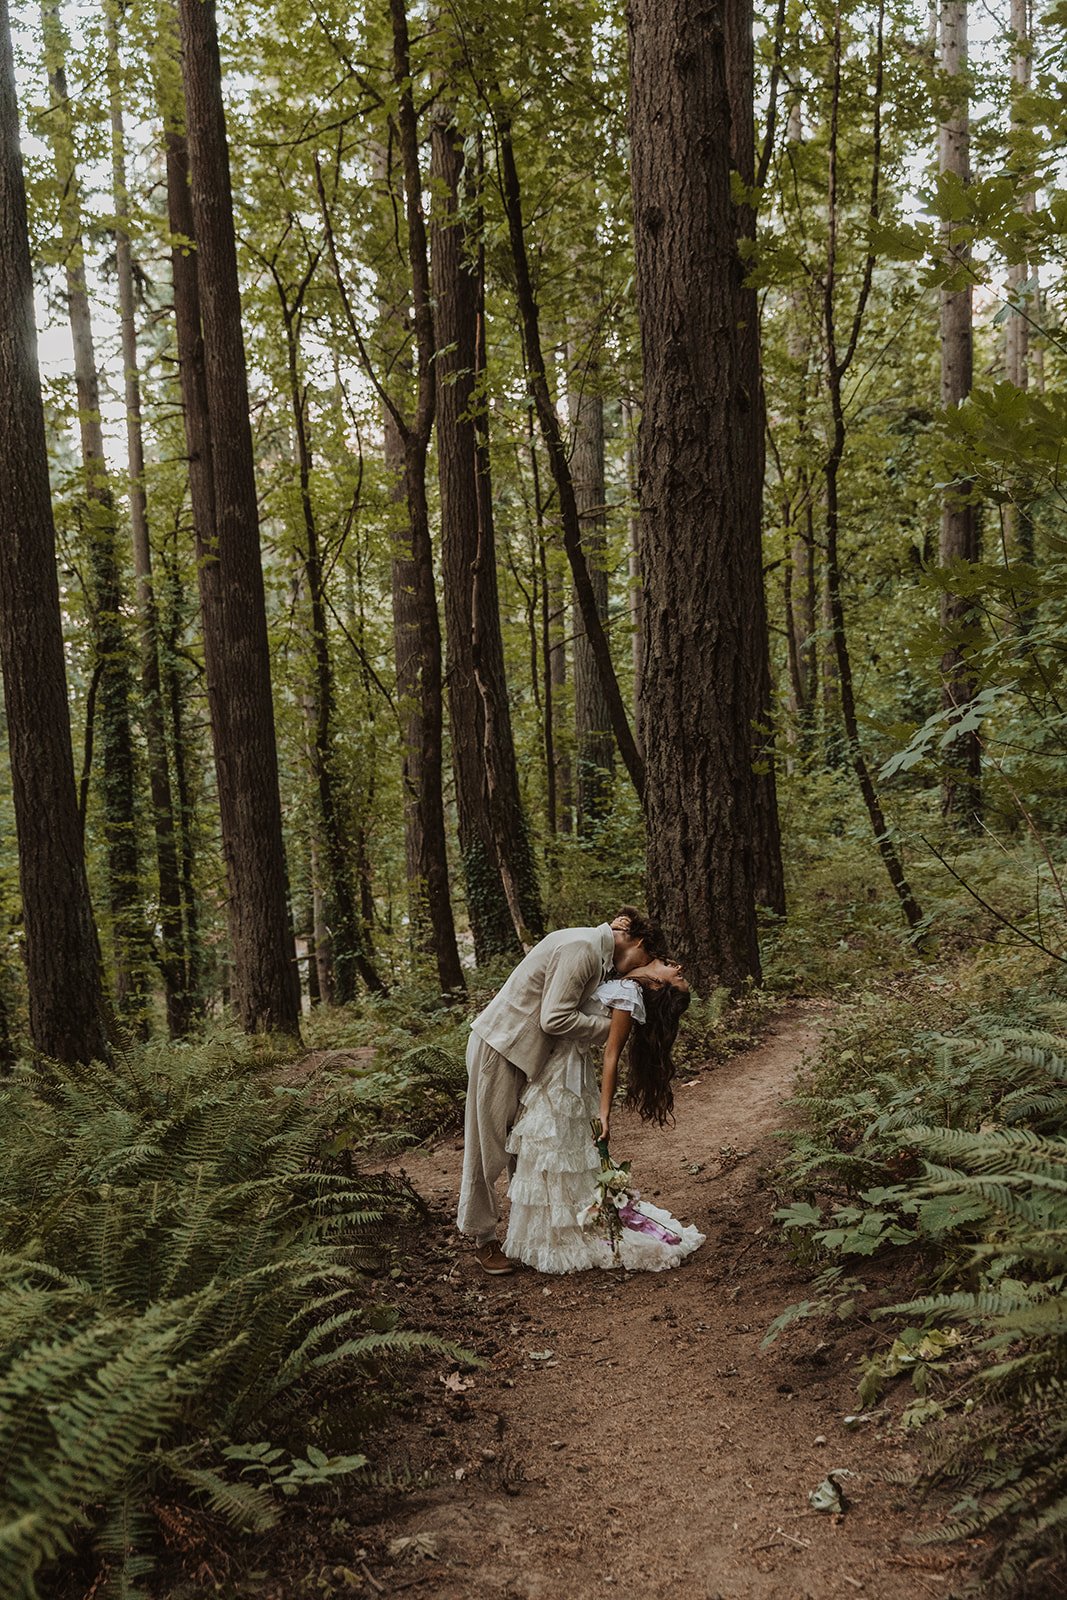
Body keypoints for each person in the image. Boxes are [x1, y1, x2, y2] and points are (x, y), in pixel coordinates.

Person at [457, 909, 677, 1274]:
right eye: (646, 959)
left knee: (521, 1147)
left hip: (524, 1053)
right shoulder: (582, 948)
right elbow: (555, 1018)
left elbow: (599, 989)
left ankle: (527, 1234)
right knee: (488, 1147)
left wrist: (642, 973)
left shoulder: (593, 948)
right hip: (500, 1047)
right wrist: (612, 1031)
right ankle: (482, 1239)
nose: (631, 971)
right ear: (636, 941)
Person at [503, 965, 704, 1273]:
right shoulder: (619, 975)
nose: (678, 967)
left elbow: (611, 1055)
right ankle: (549, 1230)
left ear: (658, 988)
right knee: (548, 1148)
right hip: (553, 1061)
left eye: (678, 977)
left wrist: (604, 1114)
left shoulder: (628, 994)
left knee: (555, 1146)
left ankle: (563, 1235)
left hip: (566, 1072)